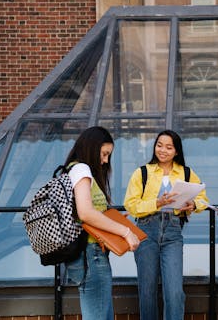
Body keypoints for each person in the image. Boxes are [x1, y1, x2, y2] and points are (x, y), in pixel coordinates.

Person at [124, 129, 209, 320]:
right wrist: (157, 203)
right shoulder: (142, 172)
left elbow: (203, 199)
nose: (162, 150)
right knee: (147, 292)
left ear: (176, 151)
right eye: (159, 145)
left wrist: (193, 204)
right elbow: (131, 205)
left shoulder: (185, 172)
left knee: (175, 292)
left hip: (173, 232)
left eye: (169, 147)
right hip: (146, 231)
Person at [64, 126, 140, 320]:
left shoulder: (74, 169)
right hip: (91, 255)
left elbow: (87, 213)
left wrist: (113, 221)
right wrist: (125, 231)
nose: (105, 160)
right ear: (91, 147)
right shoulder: (81, 169)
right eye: (104, 154)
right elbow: (86, 213)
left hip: (90, 254)